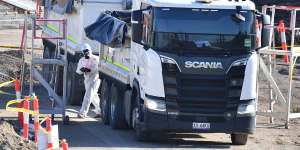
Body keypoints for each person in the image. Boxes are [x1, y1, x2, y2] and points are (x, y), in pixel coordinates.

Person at [76, 43, 101, 118]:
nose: (86, 53)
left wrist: (90, 70)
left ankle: (83, 112)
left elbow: (98, 68)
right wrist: (82, 70)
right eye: (84, 51)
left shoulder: (95, 58)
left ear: (90, 50)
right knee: (93, 96)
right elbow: (78, 70)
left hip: (94, 79)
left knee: (88, 95)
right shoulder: (82, 60)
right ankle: (100, 110)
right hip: (86, 78)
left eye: (87, 51)